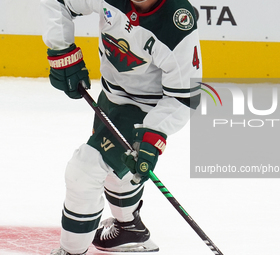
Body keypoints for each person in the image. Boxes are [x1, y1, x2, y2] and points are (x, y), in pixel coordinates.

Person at [41, 0, 202, 254]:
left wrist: (153, 134)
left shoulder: (177, 24)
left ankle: (71, 251)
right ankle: (129, 227)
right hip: (111, 95)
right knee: (118, 169)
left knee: (84, 170)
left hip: (146, 108)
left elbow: (184, 97)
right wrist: (61, 50)